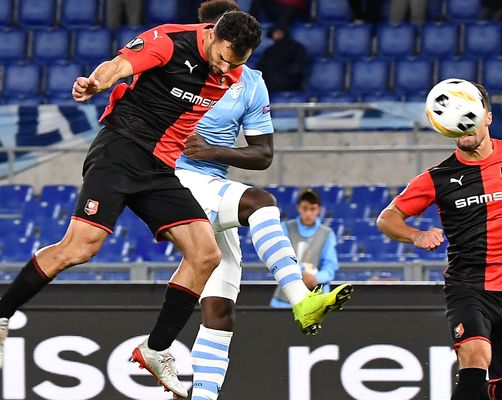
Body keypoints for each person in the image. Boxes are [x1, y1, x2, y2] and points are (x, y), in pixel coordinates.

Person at [0, 11, 263, 399]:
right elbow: (121, 65)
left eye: (236, 62)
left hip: (159, 169)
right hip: (120, 151)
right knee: (80, 248)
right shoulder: (169, 41)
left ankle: (156, 349)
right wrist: (96, 83)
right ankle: (4, 311)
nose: (227, 68)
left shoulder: (235, 72)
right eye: (223, 57)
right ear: (211, 36)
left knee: (205, 254)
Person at [171, 5, 353, 399]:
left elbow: (263, 154)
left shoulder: (251, 83)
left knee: (219, 312)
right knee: (261, 202)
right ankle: (299, 299)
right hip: (175, 181)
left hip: (212, 185)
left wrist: (212, 151)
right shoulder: (178, 67)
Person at [377, 82, 502, 400]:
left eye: (469, 118)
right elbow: (387, 219)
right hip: (469, 286)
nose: (463, 128)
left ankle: (490, 392)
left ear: (487, 117)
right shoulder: (437, 177)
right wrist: (416, 235)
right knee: (476, 355)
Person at [270, 189, 339, 308]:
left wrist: (315, 278)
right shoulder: (285, 228)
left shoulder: (327, 234)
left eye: (312, 209)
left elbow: (330, 266)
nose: (308, 213)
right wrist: (300, 276)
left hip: (317, 298)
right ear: (298, 208)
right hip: (285, 300)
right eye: (305, 208)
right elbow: (278, 259)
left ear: (319, 210)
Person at [256, 27, 307, 92]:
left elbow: (298, 67)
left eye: (279, 33)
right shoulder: (269, 50)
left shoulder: (296, 48)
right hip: (271, 83)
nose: (277, 35)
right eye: (275, 33)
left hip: (291, 81)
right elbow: (262, 67)